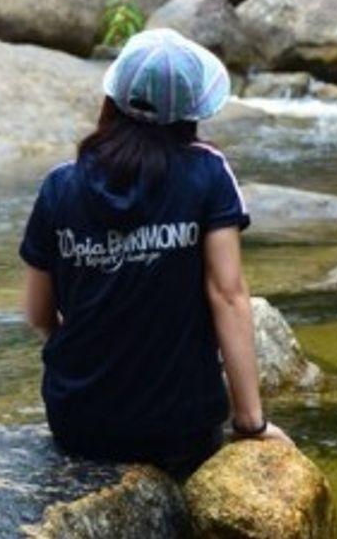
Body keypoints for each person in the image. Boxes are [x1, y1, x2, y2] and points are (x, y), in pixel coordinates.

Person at [19, 28, 291, 475]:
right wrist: (250, 422)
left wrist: (89, 351)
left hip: (78, 422)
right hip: (179, 429)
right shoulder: (208, 173)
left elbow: (37, 314)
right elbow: (228, 295)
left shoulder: (60, 186)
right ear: (189, 111)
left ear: (112, 99)